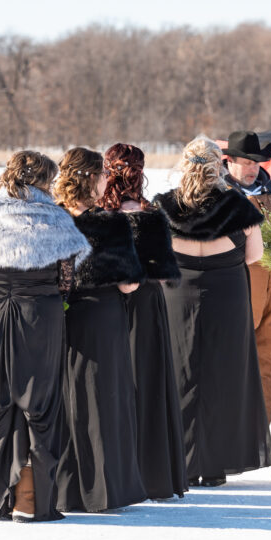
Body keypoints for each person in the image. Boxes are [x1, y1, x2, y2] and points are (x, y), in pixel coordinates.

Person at [0, 150, 90, 522]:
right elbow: (66, 278)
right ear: (43, 182)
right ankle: (31, 500)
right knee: (40, 402)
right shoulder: (56, 216)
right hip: (39, 312)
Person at [154, 137, 271, 487]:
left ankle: (184, 460)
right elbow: (254, 256)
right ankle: (216, 465)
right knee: (225, 375)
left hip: (178, 292)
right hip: (228, 292)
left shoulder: (164, 207)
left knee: (181, 371)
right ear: (218, 165)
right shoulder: (237, 205)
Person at [54, 147, 148, 511]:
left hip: (58, 317)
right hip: (102, 316)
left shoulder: (52, 219)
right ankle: (105, 490)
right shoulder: (111, 224)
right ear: (91, 179)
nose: (109, 179)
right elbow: (129, 284)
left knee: (64, 400)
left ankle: (64, 490)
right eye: (103, 175)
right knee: (104, 399)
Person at [99, 143, 188, 498]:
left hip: (109, 304)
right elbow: (166, 274)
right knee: (148, 384)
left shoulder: (99, 215)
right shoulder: (152, 214)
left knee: (115, 386)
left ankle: (118, 472)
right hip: (149, 304)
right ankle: (153, 474)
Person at [222, 130, 271, 420]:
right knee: (236, 357)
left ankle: (269, 427)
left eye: (256, 163)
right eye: (246, 162)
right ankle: (237, 426)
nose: (253, 169)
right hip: (240, 278)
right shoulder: (220, 194)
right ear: (229, 162)